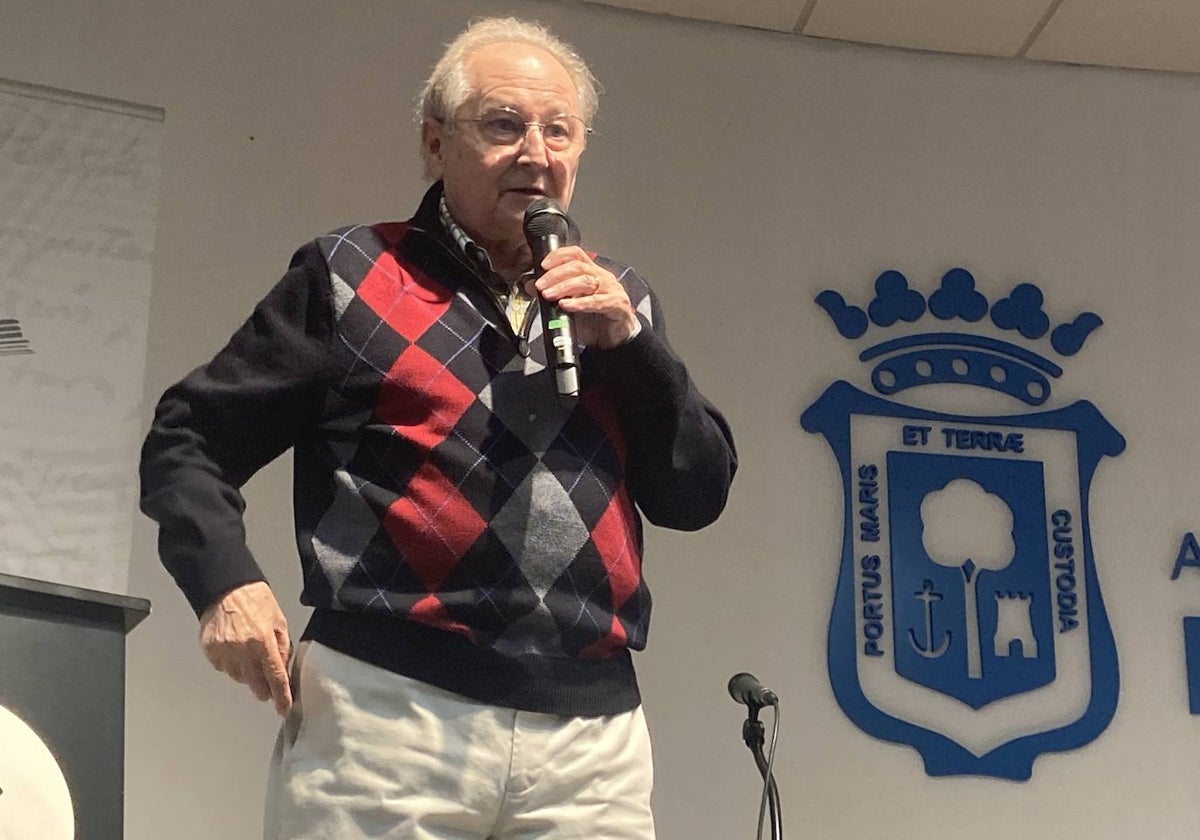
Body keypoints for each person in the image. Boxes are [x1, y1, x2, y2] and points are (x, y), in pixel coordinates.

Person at [140, 16, 736, 840]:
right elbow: (189, 438)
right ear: (434, 143)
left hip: (591, 735)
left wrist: (634, 349)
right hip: (391, 708)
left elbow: (696, 493)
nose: (536, 151)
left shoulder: (617, 301)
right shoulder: (352, 273)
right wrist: (224, 582)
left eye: (558, 130)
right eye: (503, 125)